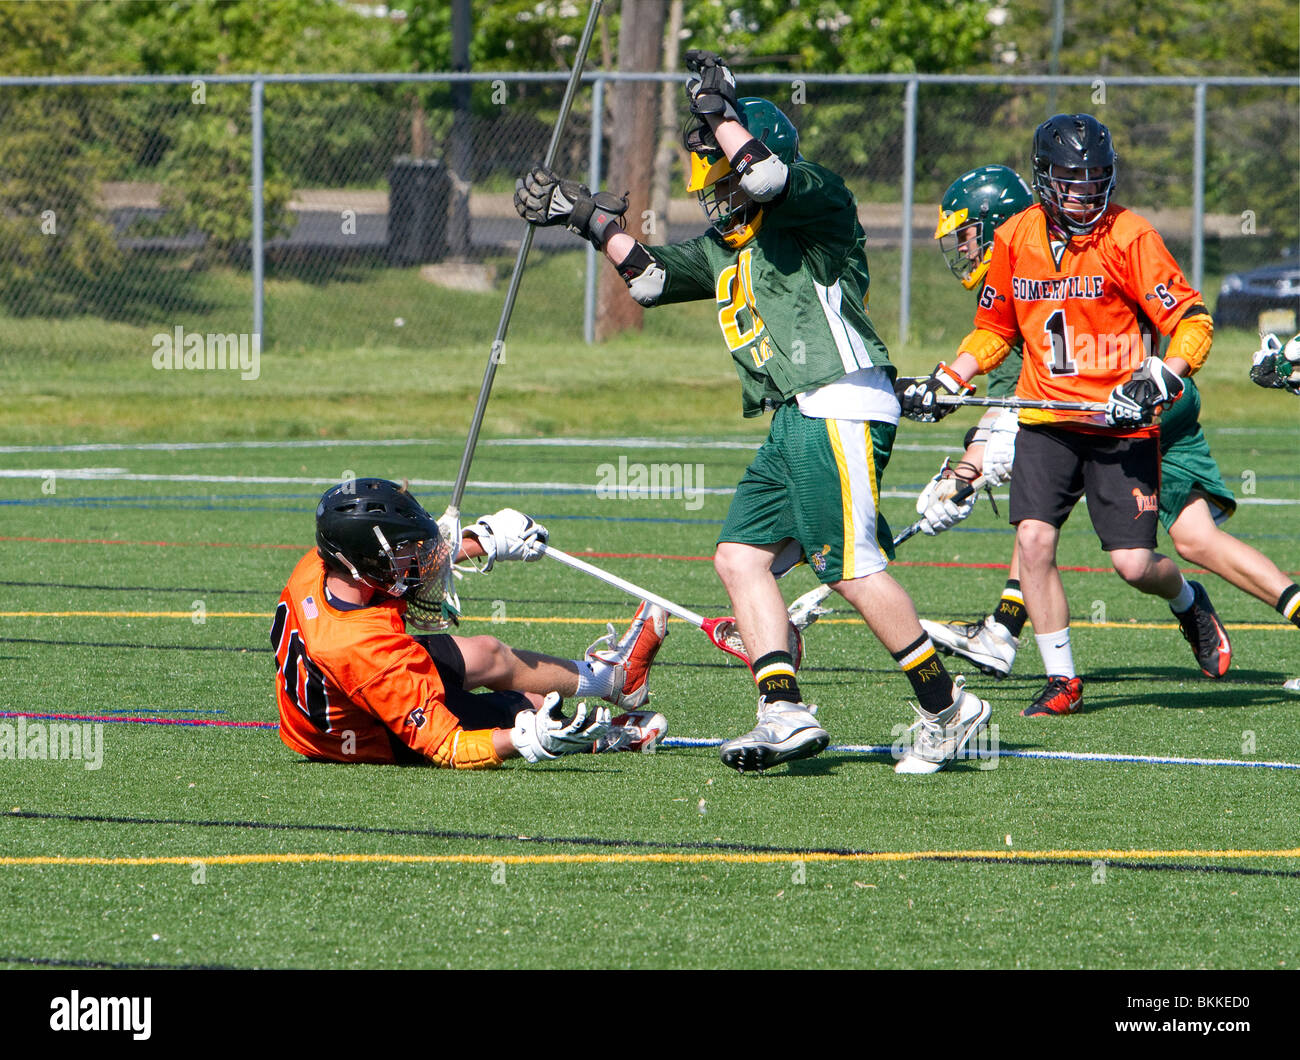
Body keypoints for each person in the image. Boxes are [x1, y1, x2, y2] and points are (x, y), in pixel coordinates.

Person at [515, 50, 989, 774]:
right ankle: (782, 708)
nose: (716, 184)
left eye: (721, 165)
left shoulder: (813, 206)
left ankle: (948, 708)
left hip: (838, 395)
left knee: (850, 568)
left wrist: (719, 112)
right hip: (792, 418)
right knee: (740, 558)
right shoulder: (725, 245)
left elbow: (767, 177)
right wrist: (586, 218)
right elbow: (645, 280)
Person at [916, 168, 1300, 699]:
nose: (1084, 196)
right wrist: (951, 382)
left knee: (1161, 552)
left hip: (1141, 411)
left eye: (1095, 183)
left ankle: (1182, 603)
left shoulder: (1126, 236)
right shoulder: (1016, 242)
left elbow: (1190, 318)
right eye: (1072, 185)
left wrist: (1157, 378)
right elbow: (996, 339)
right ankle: (1033, 653)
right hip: (1064, 421)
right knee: (1036, 532)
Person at [272, 477, 668, 768]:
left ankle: (615, 678)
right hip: (366, 732)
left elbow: (394, 573)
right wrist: (523, 739)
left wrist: (482, 541)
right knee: (531, 709)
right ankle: (607, 739)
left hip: (344, 685)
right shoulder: (367, 651)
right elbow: (450, 747)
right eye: (407, 548)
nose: (419, 555)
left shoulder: (325, 564)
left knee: (487, 652)